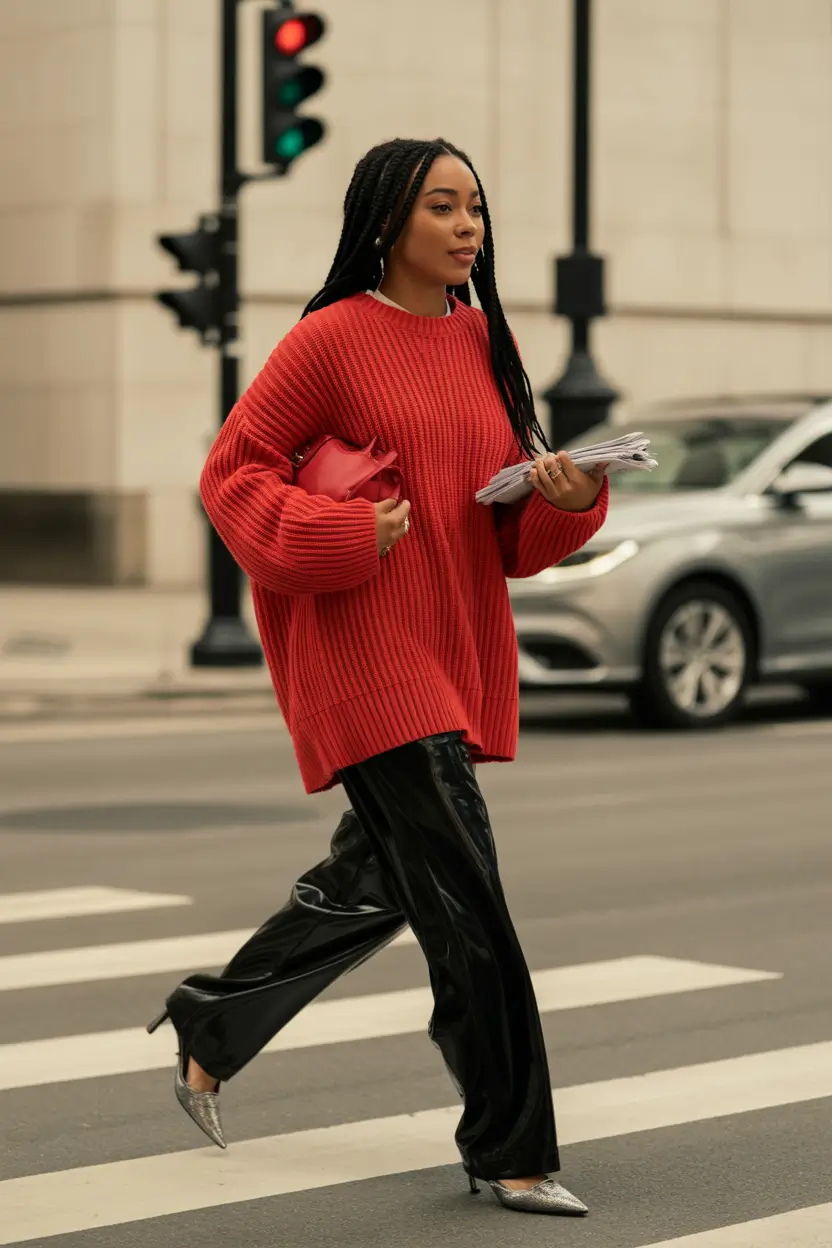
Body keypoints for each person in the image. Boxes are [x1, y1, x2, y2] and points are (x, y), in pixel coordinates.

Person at [147, 137, 609, 1218]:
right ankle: (509, 1146)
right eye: (443, 207)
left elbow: (509, 539)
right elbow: (232, 478)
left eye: (477, 210)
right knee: (468, 904)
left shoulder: (485, 341)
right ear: (387, 221)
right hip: (365, 651)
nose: (466, 228)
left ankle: (213, 1026)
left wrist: (567, 492)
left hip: (450, 646)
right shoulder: (330, 339)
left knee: (381, 879)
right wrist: (344, 529)